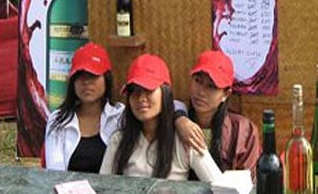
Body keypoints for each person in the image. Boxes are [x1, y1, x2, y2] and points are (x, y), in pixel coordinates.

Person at [99, 53, 221, 181]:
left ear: (165, 93)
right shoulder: (119, 140)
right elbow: (101, 185)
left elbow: (218, 184)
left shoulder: (186, 138)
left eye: (149, 89)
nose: (141, 98)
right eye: (134, 91)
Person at [176, 50, 261, 181]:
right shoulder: (177, 120)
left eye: (211, 86)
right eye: (198, 81)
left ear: (226, 94)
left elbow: (248, 182)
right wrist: (179, 120)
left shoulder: (243, 131)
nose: (201, 92)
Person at [44, 42, 124, 172]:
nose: (86, 82)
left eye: (93, 75)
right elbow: (55, 171)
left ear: (106, 79)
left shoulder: (121, 117)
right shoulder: (58, 120)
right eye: (80, 76)